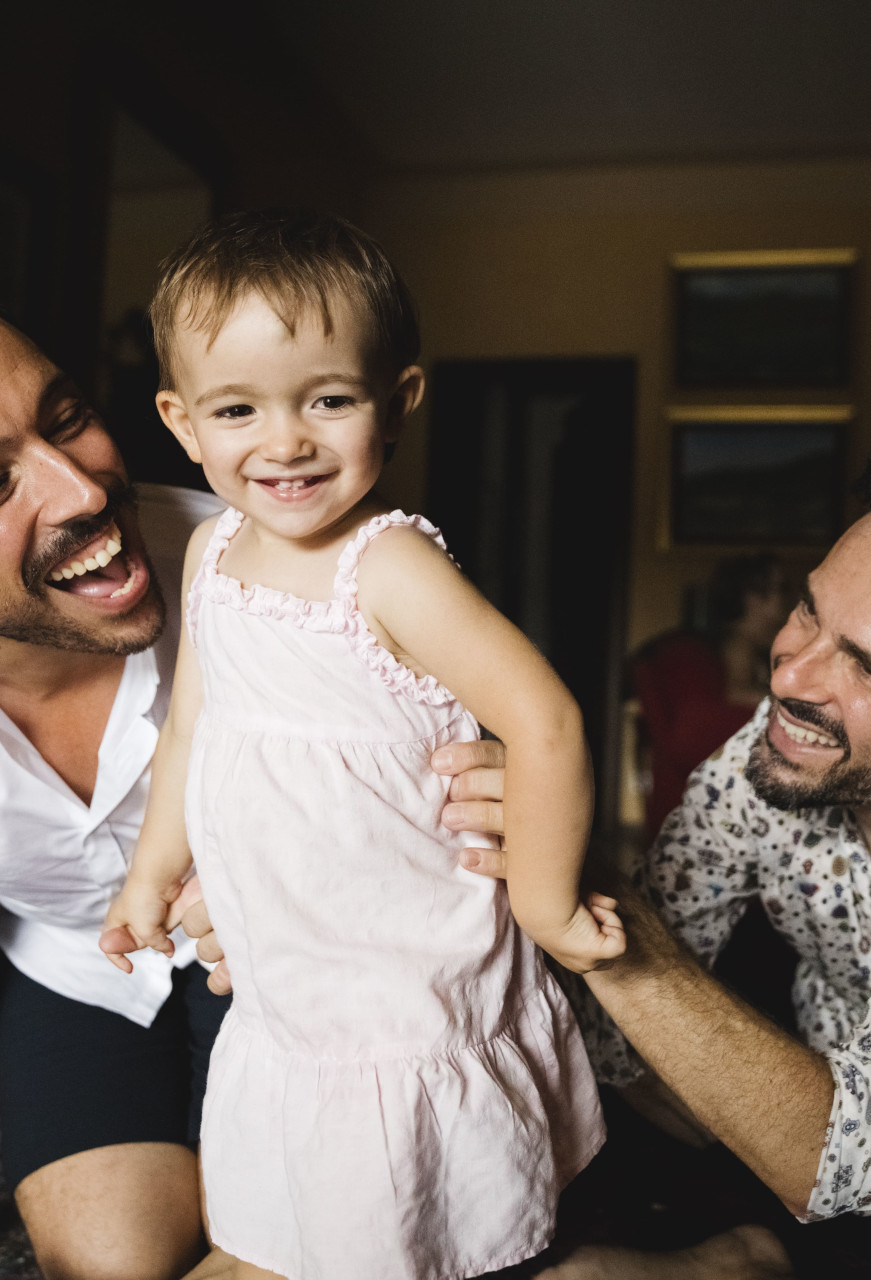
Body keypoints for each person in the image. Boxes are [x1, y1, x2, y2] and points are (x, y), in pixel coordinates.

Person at [0, 247, 505, 1280]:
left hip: (314, 960)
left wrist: (477, 800)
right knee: (104, 1266)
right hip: (82, 966)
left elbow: (451, 817)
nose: (84, 485)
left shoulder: (282, 575)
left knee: (297, 1250)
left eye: (66, 414)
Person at [361, 446, 871, 1278]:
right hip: (792, 1142)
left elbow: (851, 1158)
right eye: (808, 612)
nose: (791, 673)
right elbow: (615, 1035)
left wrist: (579, 875)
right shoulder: (791, 742)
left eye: (867, 667)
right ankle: (762, 1252)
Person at [100, 210, 617, 1280]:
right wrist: (151, 866)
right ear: (183, 423)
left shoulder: (387, 569)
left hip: (400, 959)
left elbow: (545, 716)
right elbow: (194, 723)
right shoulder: (207, 551)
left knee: (404, 1213)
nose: (284, 442)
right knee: (305, 1206)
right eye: (238, 408)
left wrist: (548, 903)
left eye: (328, 400)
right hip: (292, 961)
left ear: (401, 401)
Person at [632, 554, 794, 833]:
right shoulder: (739, 645)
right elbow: (736, 696)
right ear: (751, 598)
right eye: (778, 591)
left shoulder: (742, 645)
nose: (784, 603)